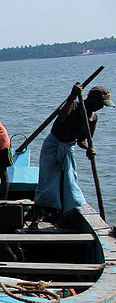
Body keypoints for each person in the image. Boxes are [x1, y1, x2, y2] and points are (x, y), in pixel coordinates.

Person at [34, 84, 114, 222]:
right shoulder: (73, 105)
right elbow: (60, 119)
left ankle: (64, 214)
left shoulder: (93, 117)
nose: (101, 107)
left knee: (70, 182)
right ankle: (38, 215)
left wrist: (89, 148)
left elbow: (82, 140)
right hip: (53, 146)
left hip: (67, 148)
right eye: (101, 104)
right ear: (92, 99)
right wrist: (72, 96)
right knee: (48, 182)